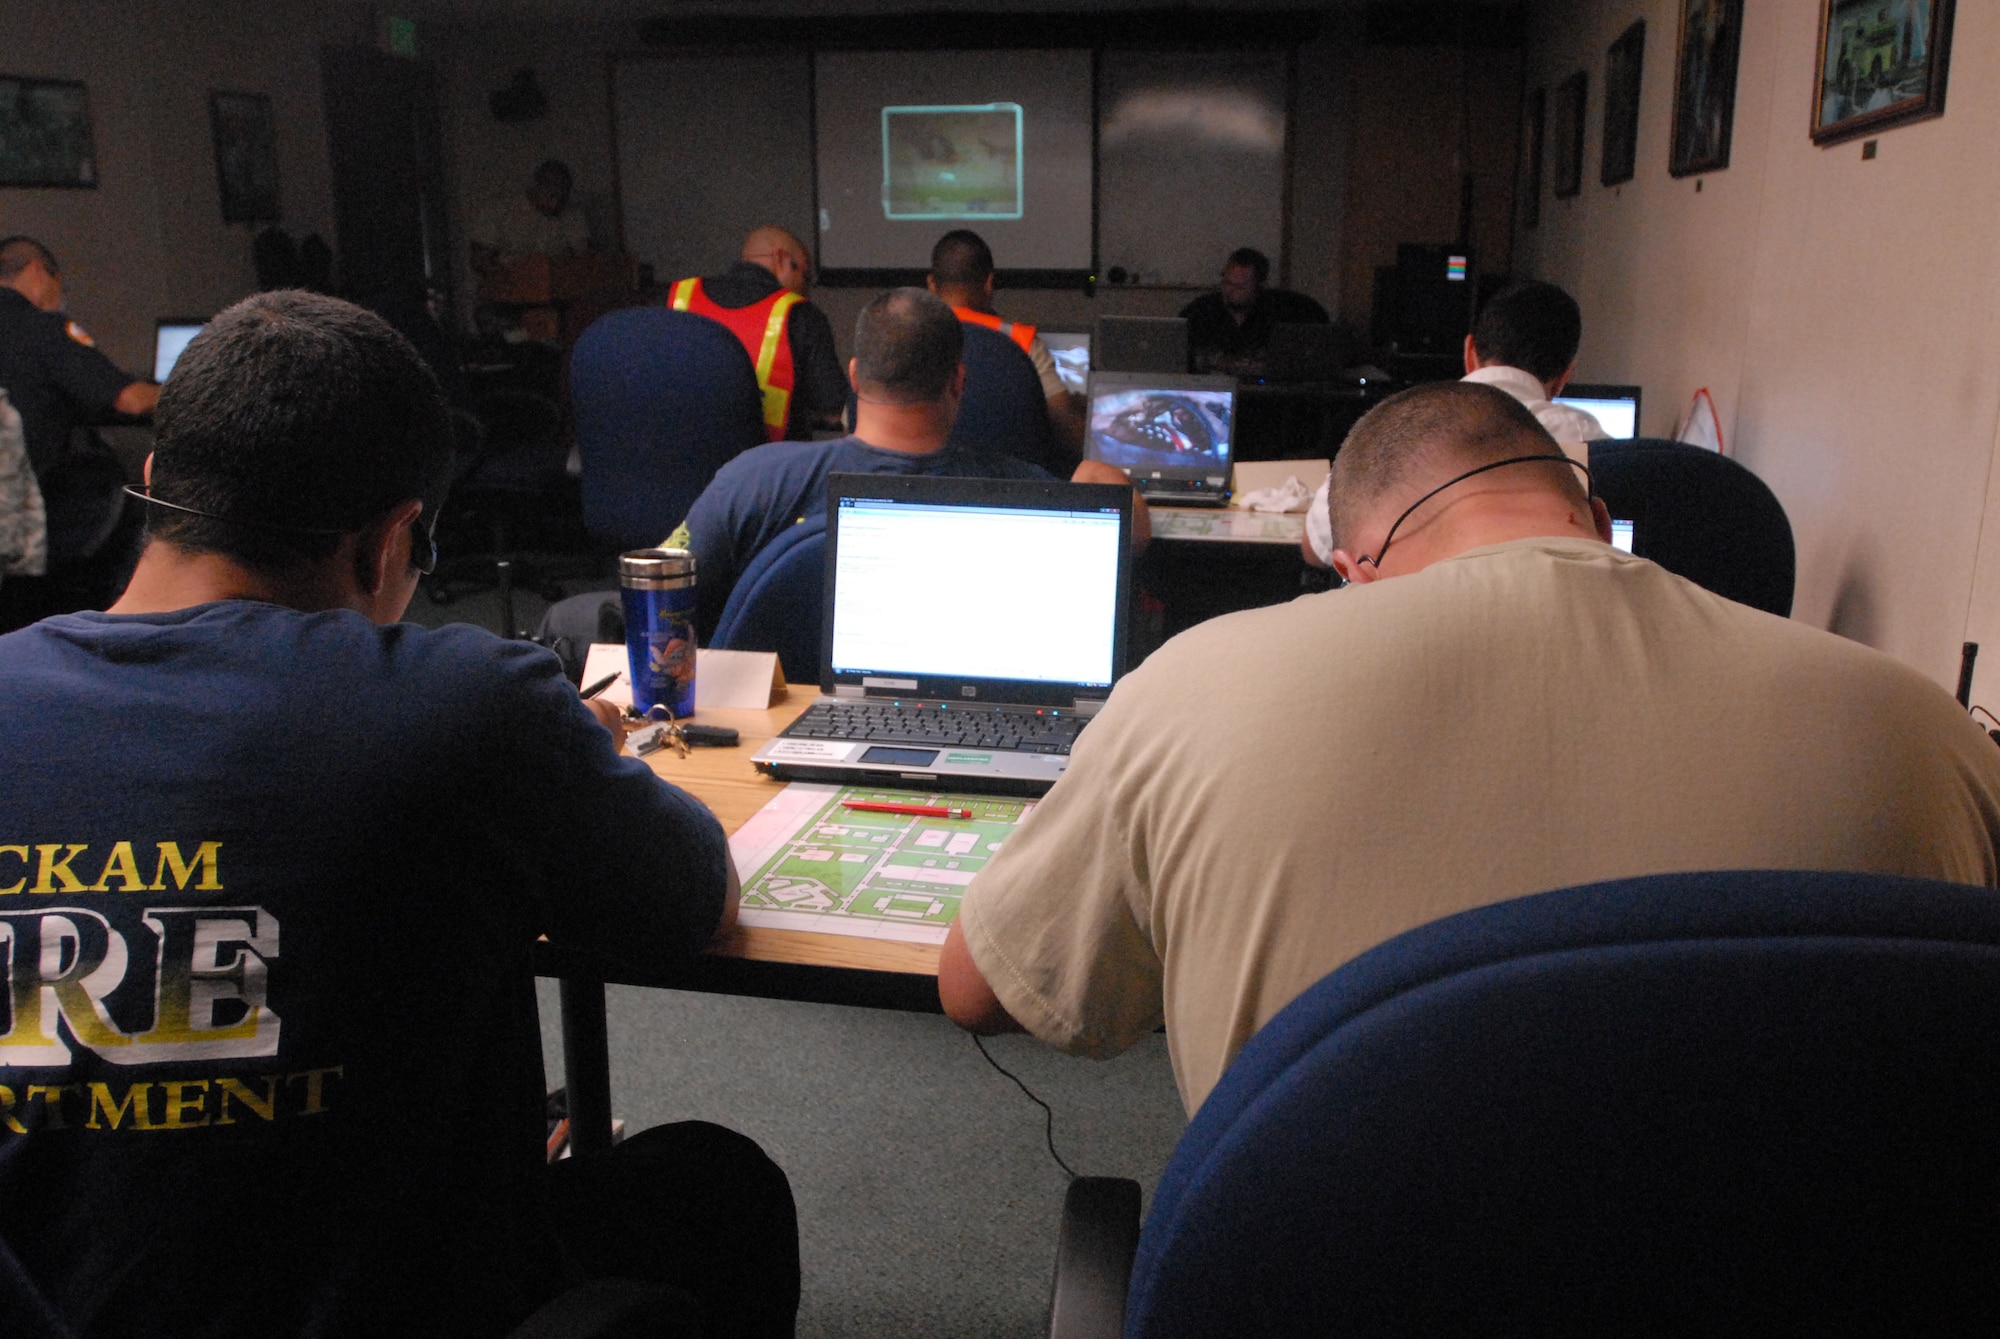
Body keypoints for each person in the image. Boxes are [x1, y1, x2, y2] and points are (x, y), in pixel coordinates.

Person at [0, 291, 799, 1337]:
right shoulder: (469, 706)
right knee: (714, 1184)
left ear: (154, 484)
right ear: (391, 545)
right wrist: (566, 744)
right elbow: (691, 899)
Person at [939, 380, 2000, 1115]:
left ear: (1351, 569)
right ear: (1588, 516)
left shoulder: (1191, 686)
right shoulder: (1923, 730)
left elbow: (978, 990)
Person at [1303, 278, 1607, 567]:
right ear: (1565, 376)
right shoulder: (1593, 443)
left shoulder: (1391, 426)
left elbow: (1316, 548)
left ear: (1469, 351)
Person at [0, 236, 160, 631]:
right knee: (143, 508)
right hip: (34, 519)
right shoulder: (41, 328)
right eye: (60, 283)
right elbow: (132, 401)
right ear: (38, 271)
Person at [667, 225, 847, 442]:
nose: (806, 289)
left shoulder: (679, 296)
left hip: (682, 455)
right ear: (782, 259)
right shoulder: (800, 314)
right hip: (769, 467)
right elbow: (832, 409)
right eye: (805, 276)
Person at [926, 229, 1084, 458]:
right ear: (989, 283)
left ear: (931, 284)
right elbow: (1066, 426)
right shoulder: (1021, 340)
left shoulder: (909, 339)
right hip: (1012, 487)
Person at [1179, 246, 1328, 373]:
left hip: (1269, 394)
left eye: (1240, 287)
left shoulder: (1292, 309)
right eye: (1227, 283)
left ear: (1261, 284)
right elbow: (1179, 350)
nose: (1230, 291)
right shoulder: (1202, 310)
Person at [469, 158, 592, 270]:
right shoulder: (499, 210)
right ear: (536, 184)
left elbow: (585, 258)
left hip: (557, 286)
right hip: (509, 286)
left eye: (561, 199)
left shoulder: (572, 214)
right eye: (551, 196)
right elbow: (480, 261)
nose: (555, 204)